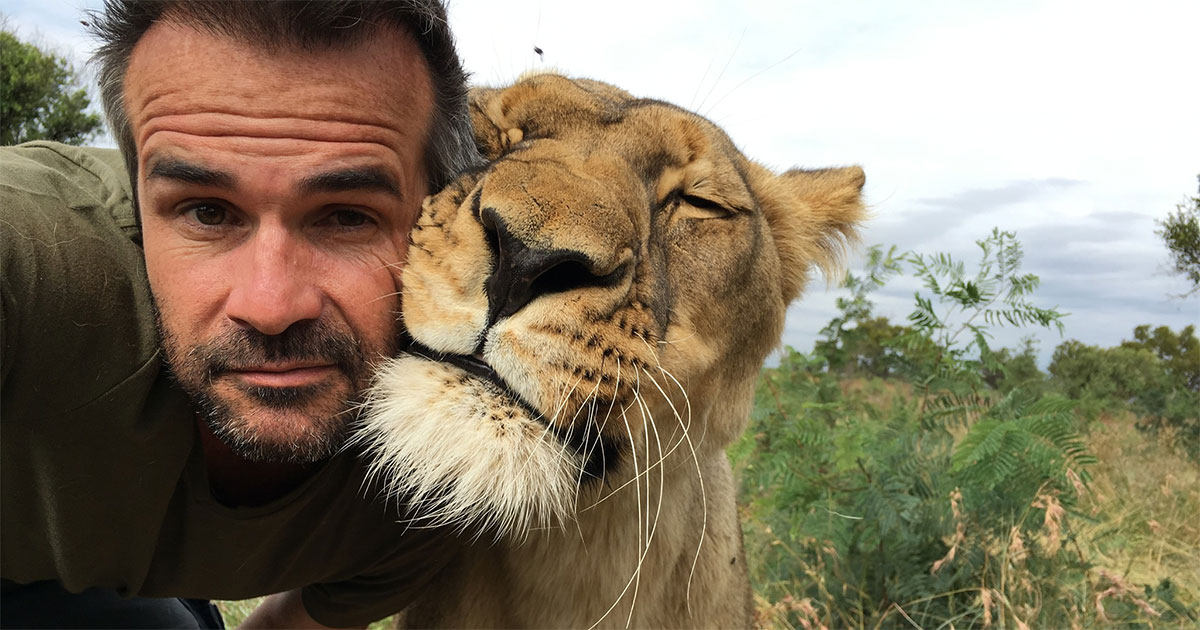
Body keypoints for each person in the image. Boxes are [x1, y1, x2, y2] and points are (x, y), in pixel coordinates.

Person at [0, 1, 480, 627]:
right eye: (206, 211)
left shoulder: (450, 472)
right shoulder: (39, 262)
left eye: (346, 216)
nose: (270, 307)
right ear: (138, 196)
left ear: (436, 212)